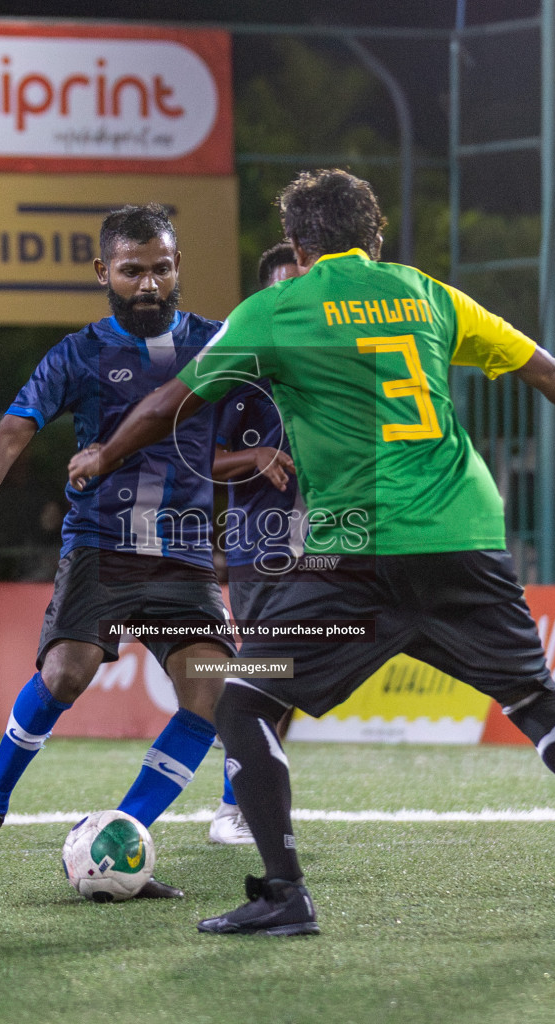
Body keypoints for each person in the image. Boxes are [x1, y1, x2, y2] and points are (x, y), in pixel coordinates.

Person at [69, 169, 555, 936]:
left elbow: (167, 404)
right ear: (375, 236)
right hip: (464, 534)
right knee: (532, 697)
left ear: (297, 244)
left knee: (244, 695)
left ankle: (284, 893)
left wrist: (104, 453)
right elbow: (544, 367)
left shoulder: (277, 307)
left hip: (355, 554)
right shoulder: (426, 294)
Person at [0, 204, 236, 900]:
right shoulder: (77, 355)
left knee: (212, 691)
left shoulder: (218, 344)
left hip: (183, 557)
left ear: (177, 269)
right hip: (101, 548)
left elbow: (240, 439)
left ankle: (119, 838)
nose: (149, 285)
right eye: (133, 271)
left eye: (162, 269)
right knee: (65, 676)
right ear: (103, 272)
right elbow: (13, 432)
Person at [207, 242, 304, 845]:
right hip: (259, 549)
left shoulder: (336, 367)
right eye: (286, 288)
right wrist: (256, 454)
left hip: (327, 546)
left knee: (288, 680)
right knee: (269, 673)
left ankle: (250, 796)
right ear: (267, 296)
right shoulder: (244, 372)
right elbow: (201, 457)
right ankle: (231, 806)